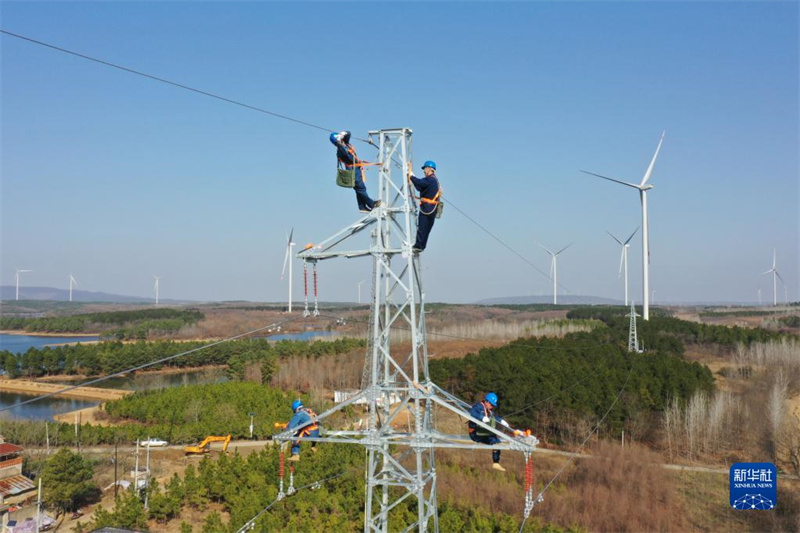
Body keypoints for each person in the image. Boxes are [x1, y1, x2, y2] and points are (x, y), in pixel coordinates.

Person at [330, 131, 382, 213]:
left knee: (359, 189)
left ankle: (362, 207)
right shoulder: (340, 149)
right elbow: (347, 155)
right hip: (352, 171)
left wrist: (344, 133)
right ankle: (371, 204)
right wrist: (339, 141)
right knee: (361, 188)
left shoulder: (345, 145)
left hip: (356, 169)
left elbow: (348, 134)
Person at [468, 392, 510, 471]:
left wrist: (501, 421)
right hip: (474, 433)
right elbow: (472, 413)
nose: (492, 407)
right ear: (487, 402)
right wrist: (482, 417)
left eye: (493, 406)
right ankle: (495, 463)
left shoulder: (489, 411)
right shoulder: (478, 407)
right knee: (493, 438)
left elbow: (495, 417)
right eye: (491, 405)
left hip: (481, 431)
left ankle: (496, 463)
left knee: (496, 441)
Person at [407, 160, 441, 253]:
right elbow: (419, 186)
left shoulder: (430, 179)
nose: (423, 171)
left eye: (424, 169)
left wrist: (410, 174)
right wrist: (412, 176)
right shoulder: (433, 180)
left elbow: (419, 182)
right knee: (426, 228)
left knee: (422, 227)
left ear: (429, 169)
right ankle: (421, 246)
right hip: (431, 208)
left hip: (427, 208)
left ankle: (418, 245)